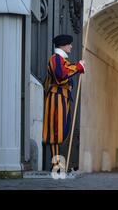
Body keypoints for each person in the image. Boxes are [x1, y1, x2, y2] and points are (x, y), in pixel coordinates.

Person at [42, 34, 85, 171]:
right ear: (63, 45)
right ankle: (56, 166)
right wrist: (77, 67)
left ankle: (60, 164)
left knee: (61, 131)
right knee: (56, 132)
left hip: (62, 98)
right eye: (69, 44)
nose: (71, 46)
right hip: (56, 98)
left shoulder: (62, 60)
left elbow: (66, 75)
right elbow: (60, 77)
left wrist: (76, 69)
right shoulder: (55, 59)